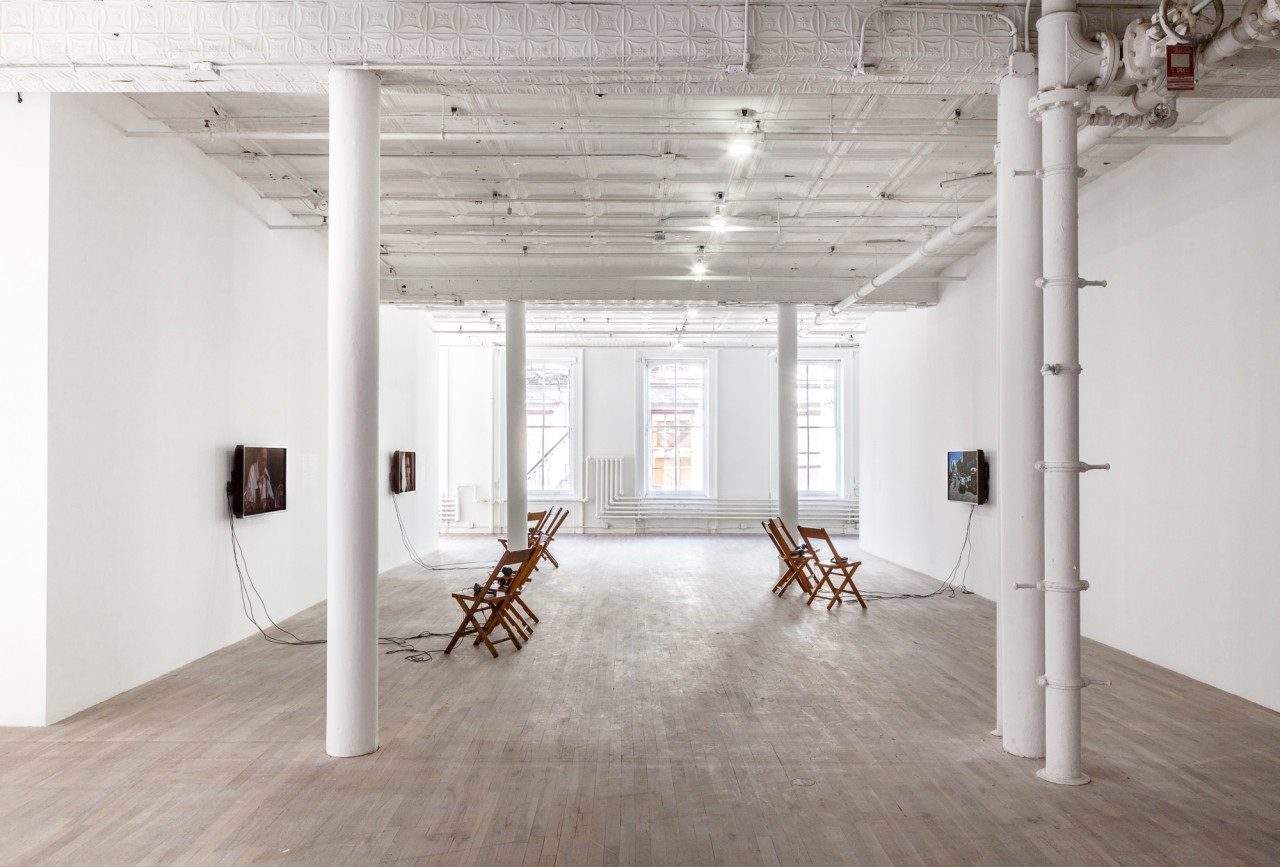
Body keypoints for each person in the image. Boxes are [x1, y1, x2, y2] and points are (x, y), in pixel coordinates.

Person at [244, 448, 275, 514]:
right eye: (263, 460)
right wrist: (256, 505)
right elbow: (249, 503)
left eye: (266, 460)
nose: (264, 465)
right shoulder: (252, 469)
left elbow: (272, 500)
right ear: (258, 458)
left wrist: (264, 500)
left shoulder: (265, 471)